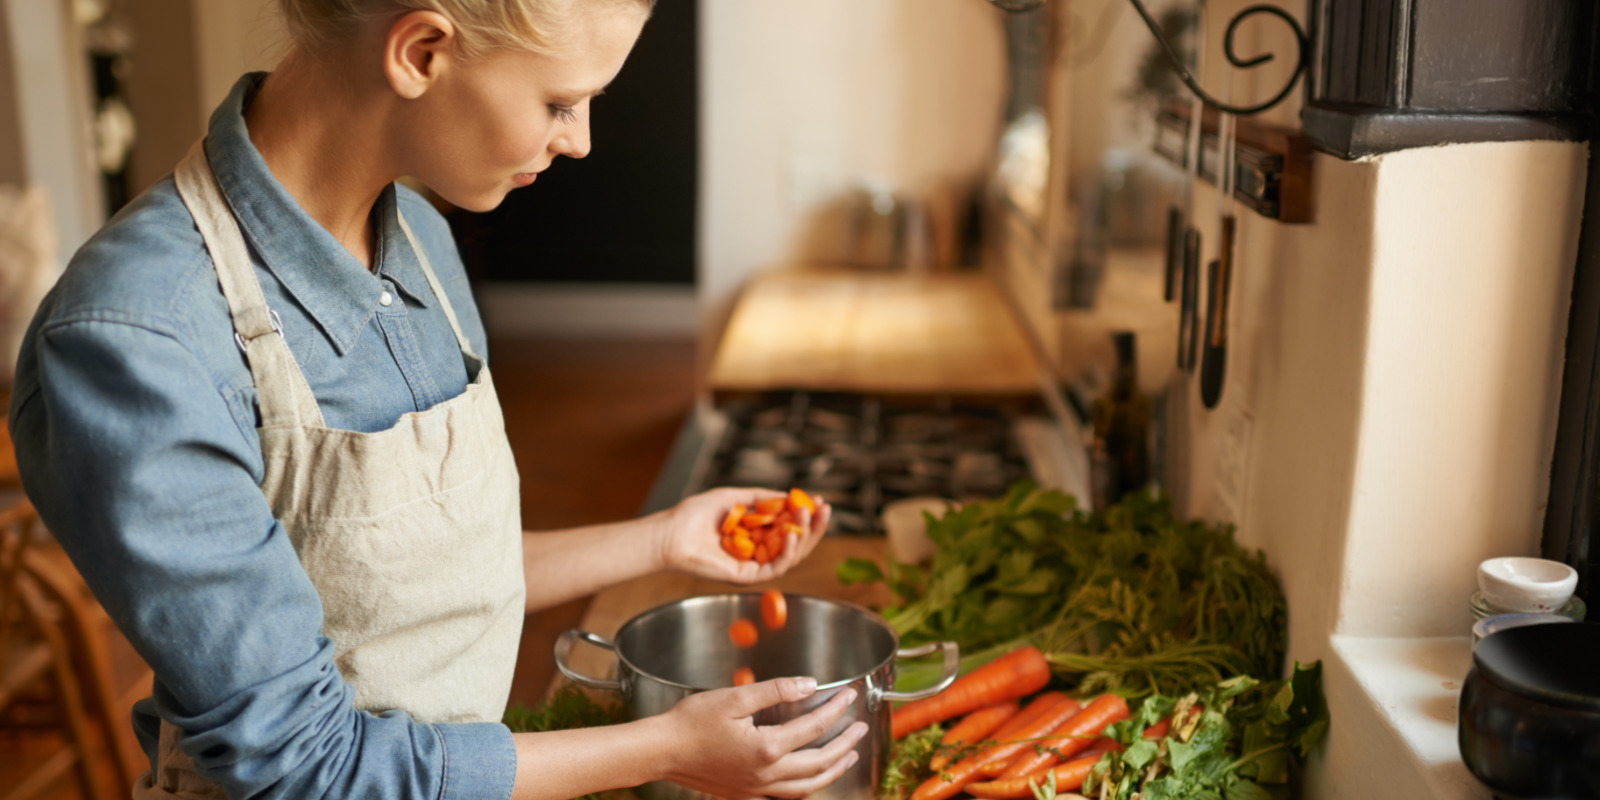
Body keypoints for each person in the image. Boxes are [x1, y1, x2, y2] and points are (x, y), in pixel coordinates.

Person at [7, 1, 868, 798]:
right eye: (562, 103)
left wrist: (664, 540)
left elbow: (416, 581)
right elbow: (308, 767)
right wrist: (666, 747)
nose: (583, 142)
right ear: (421, 52)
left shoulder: (419, 236)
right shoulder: (137, 338)